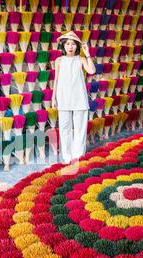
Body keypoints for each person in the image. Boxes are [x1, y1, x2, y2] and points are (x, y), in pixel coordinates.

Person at [52, 31, 96, 164]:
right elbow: (56, 79)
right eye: (67, 44)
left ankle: (78, 156)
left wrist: (87, 53)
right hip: (64, 98)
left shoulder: (81, 59)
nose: (70, 46)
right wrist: (53, 97)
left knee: (80, 129)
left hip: (79, 99)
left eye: (72, 44)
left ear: (77, 46)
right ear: (64, 46)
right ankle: (66, 157)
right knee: (65, 128)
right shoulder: (59, 60)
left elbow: (92, 71)